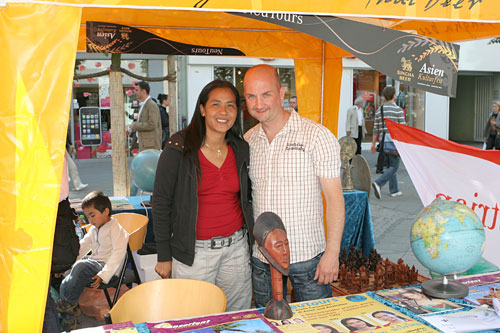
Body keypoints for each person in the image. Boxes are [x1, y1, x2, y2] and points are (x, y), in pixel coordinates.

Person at [243, 64, 345, 307]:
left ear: (281, 93)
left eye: (266, 94)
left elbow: (335, 200)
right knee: (267, 326)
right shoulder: (248, 140)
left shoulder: (316, 136)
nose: (259, 103)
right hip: (263, 260)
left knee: (317, 324)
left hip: (308, 260)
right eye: (251, 96)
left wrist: (332, 254)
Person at [152, 80, 254, 311]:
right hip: (193, 254)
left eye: (230, 105)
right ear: (202, 109)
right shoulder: (179, 147)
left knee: (236, 319)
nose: (223, 112)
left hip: (236, 250)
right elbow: (160, 203)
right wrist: (164, 255)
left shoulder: (241, 148)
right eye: (216, 104)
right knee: (195, 319)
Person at [56, 191, 129, 318]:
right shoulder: (94, 229)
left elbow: (119, 254)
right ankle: (68, 315)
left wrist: (103, 275)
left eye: (92, 215)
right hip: (94, 265)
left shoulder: (116, 229)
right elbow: (82, 247)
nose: (90, 220)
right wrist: (66, 265)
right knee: (67, 275)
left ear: (105, 212)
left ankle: (68, 303)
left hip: (109, 272)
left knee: (81, 266)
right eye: (87, 217)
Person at [370, 86, 406, 199]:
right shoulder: (398, 110)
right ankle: (378, 183)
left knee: (391, 165)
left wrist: (372, 144)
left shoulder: (379, 110)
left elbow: (376, 128)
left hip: (384, 141)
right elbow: (402, 128)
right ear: (394, 96)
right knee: (394, 167)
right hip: (395, 141)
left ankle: (394, 190)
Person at [130, 81, 162, 151]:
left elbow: (152, 124)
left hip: (150, 146)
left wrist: (135, 125)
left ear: (143, 91)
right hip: (144, 144)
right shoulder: (144, 104)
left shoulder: (151, 105)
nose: (135, 92)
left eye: (137, 90)